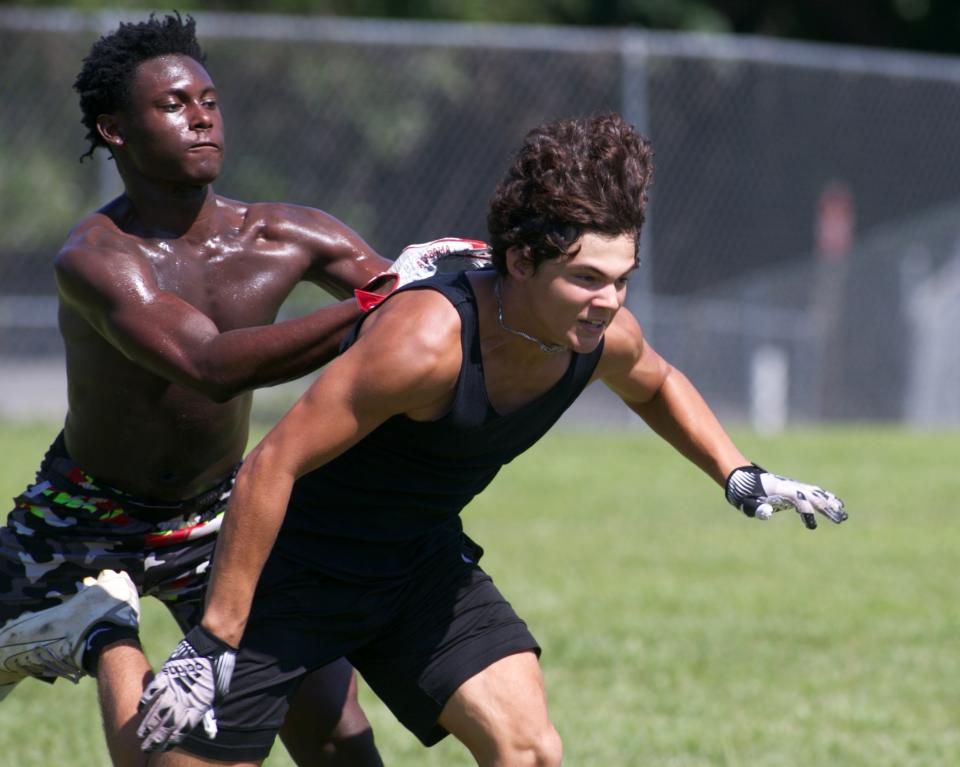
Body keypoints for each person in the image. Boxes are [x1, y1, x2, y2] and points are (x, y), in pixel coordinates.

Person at [137, 112, 848, 766]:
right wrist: (214, 638)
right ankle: (105, 636)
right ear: (518, 261)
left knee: (530, 750)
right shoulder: (425, 342)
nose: (608, 301)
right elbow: (272, 461)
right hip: (291, 572)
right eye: (585, 279)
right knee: (176, 753)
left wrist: (738, 473)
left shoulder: (600, 339)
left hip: (417, 566)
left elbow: (657, 382)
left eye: (621, 280)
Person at [0, 12, 489, 767]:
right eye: (171, 104)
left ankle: (99, 634)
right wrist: (377, 299)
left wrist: (505, 277)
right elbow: (210, 364)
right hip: (81, 515)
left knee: (332, 730)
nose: (200, 117)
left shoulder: (288, 234)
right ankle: (90, 625)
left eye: (208, 100)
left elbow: (413, 313)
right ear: (116, 129)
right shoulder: (95, 258)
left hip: (218, 514)